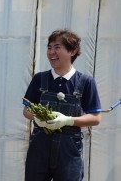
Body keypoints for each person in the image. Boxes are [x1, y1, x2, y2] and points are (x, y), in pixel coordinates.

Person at [22, 29, 101, 181]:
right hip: (40, 146)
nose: (52, 52)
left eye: (57, 47)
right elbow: (27, 110)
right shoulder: (40, 79)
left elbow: (95, 118)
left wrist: (68, 120)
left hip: (69, 150)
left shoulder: (85, 82)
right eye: (49, 47)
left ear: (73, 51)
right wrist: (37, 117)